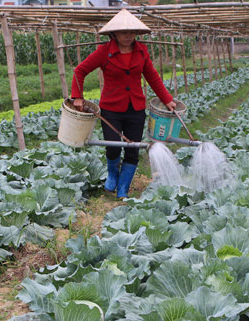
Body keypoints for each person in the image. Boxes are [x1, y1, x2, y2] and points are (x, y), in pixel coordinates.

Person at [71, 9, 176, 199]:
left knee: (133, 148)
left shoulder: (142, 51)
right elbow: (80, 71)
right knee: (113, 146)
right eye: (124, 32)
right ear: (114, 34)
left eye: (132, 32)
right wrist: (77, 96)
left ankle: (123, 188)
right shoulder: (104, 52)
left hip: (135, 108)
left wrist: (167, 99)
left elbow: (151, 76)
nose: (128, 36)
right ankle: (112, 175)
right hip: (111, 108)